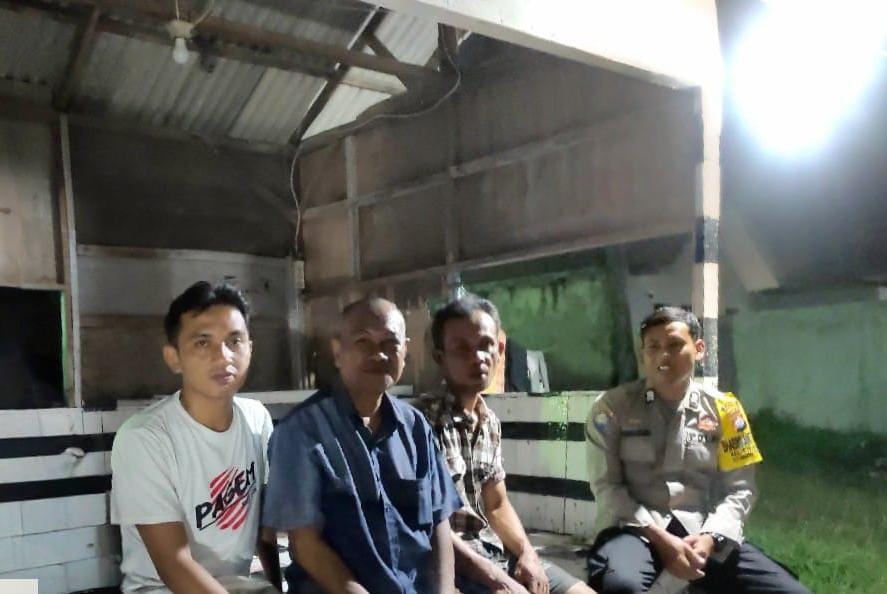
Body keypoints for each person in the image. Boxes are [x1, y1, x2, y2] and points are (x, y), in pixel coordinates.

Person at [585, 306, 810, 594]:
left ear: (699, 349)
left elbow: (740, 489)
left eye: (675, 345)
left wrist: (711, 537)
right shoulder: (611, 408)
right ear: (643, 354)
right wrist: (660, 539)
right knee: (621, 587)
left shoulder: (725, 410)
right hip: (634, 531)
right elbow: (607, 487)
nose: (663, 356)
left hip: (702, 533)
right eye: (653, 347)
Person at [263, 297, 462, 594]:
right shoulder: (301, 432)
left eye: (390, 344)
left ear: (405, 351)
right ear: (337, 352)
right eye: (363, 342)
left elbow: (439, 525)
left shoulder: (416, 427)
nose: (379, 354)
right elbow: (305, 545)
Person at [418, 295, 596, 594]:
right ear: (440, 357)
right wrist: (497, 579)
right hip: (451, 567)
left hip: (495, 553)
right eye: (461, 348)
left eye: (485, 345)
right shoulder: (420, 423)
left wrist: (528, 554)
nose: (477, 357)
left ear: (499, 351)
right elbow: (426, 526)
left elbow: (497, 505)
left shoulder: (489, 422)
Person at [111, 281, 281, 594]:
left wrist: (276, 587)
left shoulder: (257, 419)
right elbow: (175, 565)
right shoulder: (144, 438)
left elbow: (264, 530)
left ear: (250, 348)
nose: (223, 356)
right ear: (174, 357)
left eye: (235, 341)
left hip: (233, 585)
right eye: (203, 343)